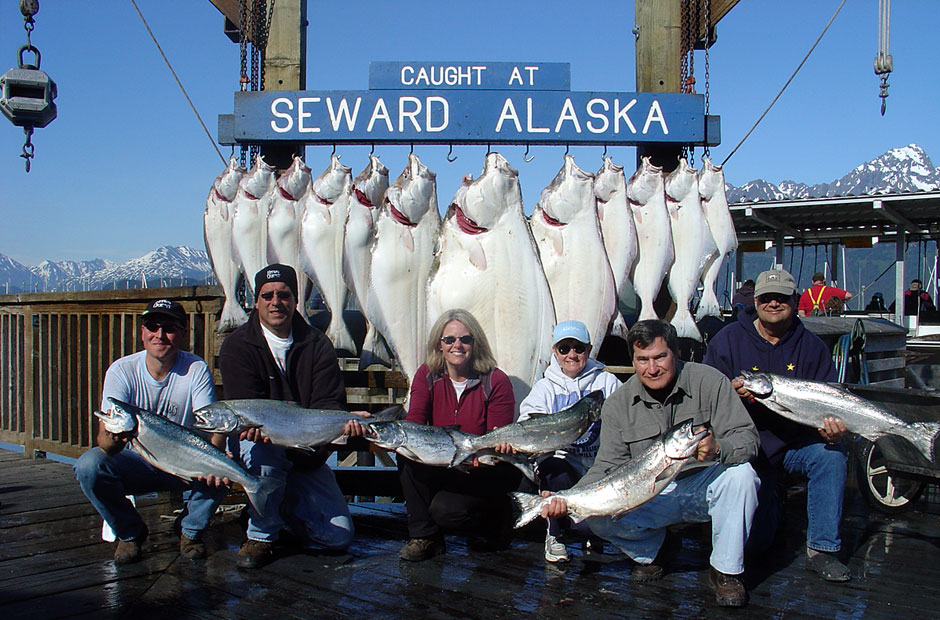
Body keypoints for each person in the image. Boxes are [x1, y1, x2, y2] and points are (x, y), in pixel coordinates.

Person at [542, 320, 760, 608]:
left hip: (703, 484)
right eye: (642, 360)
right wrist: (568, 498)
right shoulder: (618, 403)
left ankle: (726, 571)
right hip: (651, 493)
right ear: (633, 360)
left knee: (743, 476)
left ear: (676, 353)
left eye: (660, 357)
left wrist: (719, 448)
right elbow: (605, 465)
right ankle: (656, 552)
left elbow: (747, 438)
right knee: (595, 516)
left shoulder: (710, 381)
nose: (652, 368)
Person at [703, 268, 852, 582]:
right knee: (756, 547)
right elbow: (705, 396)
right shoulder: (727, 340)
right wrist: (729, 395)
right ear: (755, 301)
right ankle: (773, 498)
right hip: (747, 450)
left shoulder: (812, 347)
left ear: (794, 300)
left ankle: (823, 549)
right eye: (766, 298)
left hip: (795, 445)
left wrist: (833, 429)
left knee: (831, 456)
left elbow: (829, 401)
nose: (774, 303)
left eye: (781, 298)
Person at [218, 264, 369, 569]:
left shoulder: (317, 344)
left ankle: (276, 509)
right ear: (256, 301)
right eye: (268, 295)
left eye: (284, 295)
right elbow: (245, 405)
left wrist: (344, 423)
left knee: (338, 538)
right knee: (265, 453)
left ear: (295, 300)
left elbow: (329, 402)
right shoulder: (237, 346)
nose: (276, 302)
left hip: (307, 453)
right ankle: (260, 536)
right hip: (261, 446)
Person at [74, 299, 228, 565]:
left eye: (169, 328)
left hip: (183, 461)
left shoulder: (195, 368)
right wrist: (113, 437)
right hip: (137, 462)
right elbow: (105, 444)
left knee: (223, 467)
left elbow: (213, 425)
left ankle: (190, 531)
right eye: (152, 326)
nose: (160, 334)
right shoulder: (122, 371)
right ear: (142, 333)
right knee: (88, 466)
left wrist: (217, 461)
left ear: (182, 334)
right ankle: (129, 532)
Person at [397, 308, 519, 562]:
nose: (457, 345)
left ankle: (494, 521)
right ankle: (425, 537)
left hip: (479, 467)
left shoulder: (496, 381)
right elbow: (415, 422)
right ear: (439, 345)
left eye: (465, 339)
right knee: (405, 453)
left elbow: (497, 434)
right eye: (449, 339)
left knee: (446, 512)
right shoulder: (426, 375)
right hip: (441, 463)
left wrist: (489, 449)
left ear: (476, 343)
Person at [518, 320, 622, 563]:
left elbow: (625, 419)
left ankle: (592, 532)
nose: (572, 354)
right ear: (555, 352)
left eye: (578, 348)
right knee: (554, 469)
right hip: (560, 463)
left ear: (589, 349)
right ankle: (554, 534)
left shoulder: (607, 383)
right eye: (564, 349)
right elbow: (527, 421)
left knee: (588, 525)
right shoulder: (544, 387)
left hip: (597, 465)